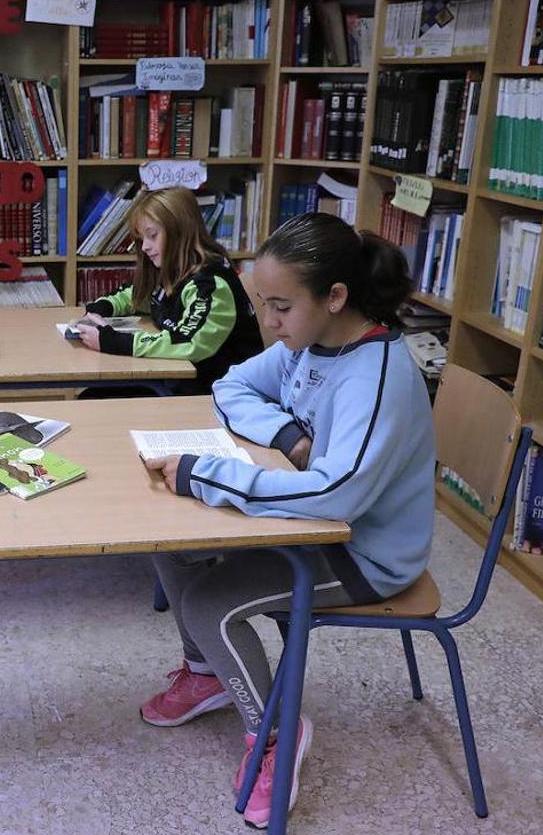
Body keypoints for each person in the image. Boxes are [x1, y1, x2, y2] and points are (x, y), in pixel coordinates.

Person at [140, 213, 434, 829]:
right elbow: (231, 385)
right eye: (261, 304)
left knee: (208, 605)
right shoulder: (313, 343)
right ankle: (207, 676)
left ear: (335, 297)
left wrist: (208, 475)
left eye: (279, 307)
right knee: (169, 543)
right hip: (314, 519)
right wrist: (289, 439)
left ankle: (276, 731)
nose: (267, 324)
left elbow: (336, 496)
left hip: (367, 551)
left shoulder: (374, 372)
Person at [76, 186, 264, 395]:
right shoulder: (172, 269)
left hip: (220, 395)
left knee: (99, 400)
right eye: (142, 239)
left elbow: (190, 342)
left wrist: (114, 342)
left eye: (152, 236)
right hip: (179, 381)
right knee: (92, 395)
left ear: (179, 232)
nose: (145, 247)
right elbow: (139, 295)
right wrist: (104, 307)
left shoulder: (211, 285)